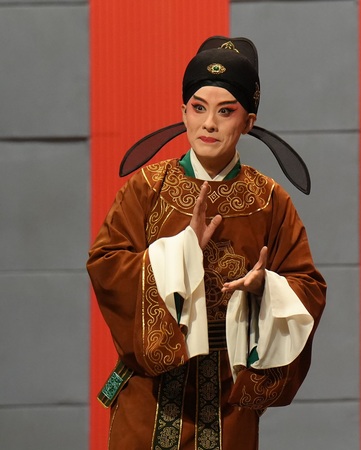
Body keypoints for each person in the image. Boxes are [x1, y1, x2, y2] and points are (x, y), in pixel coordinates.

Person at [87, 36, 326, 449]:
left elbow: (308, 285)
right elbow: (106, 264)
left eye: (225, 111)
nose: (209, 124)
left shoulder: (268, 200)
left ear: (248, 121)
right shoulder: (148, 188)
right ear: (183, 112)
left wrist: (267, 290)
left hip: (228, 393)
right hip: (149, 391)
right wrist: (180, 252)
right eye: (198, 108)